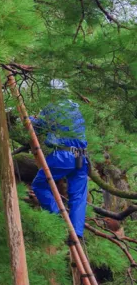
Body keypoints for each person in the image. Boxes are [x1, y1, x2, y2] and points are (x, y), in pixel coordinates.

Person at [30, 79, 89, 239]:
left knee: (39, 184)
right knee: (78, 195)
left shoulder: (52, 108)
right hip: (81, 156)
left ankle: (59, 220)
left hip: (64, 155)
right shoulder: (75, 107)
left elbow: (38, 125)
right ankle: (76, 231)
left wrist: (25, 118)